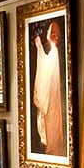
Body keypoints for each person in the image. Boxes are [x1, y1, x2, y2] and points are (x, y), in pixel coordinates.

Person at [32, 20, 66, 155]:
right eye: (52, 33)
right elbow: (44, 71)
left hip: (52, 102)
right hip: (50, 102)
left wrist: (40, 48)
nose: (55, 36)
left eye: (56, 34)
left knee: (52, 129)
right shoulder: (52, 53)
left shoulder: (54, 53)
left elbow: (45, 73)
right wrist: (40, 48)